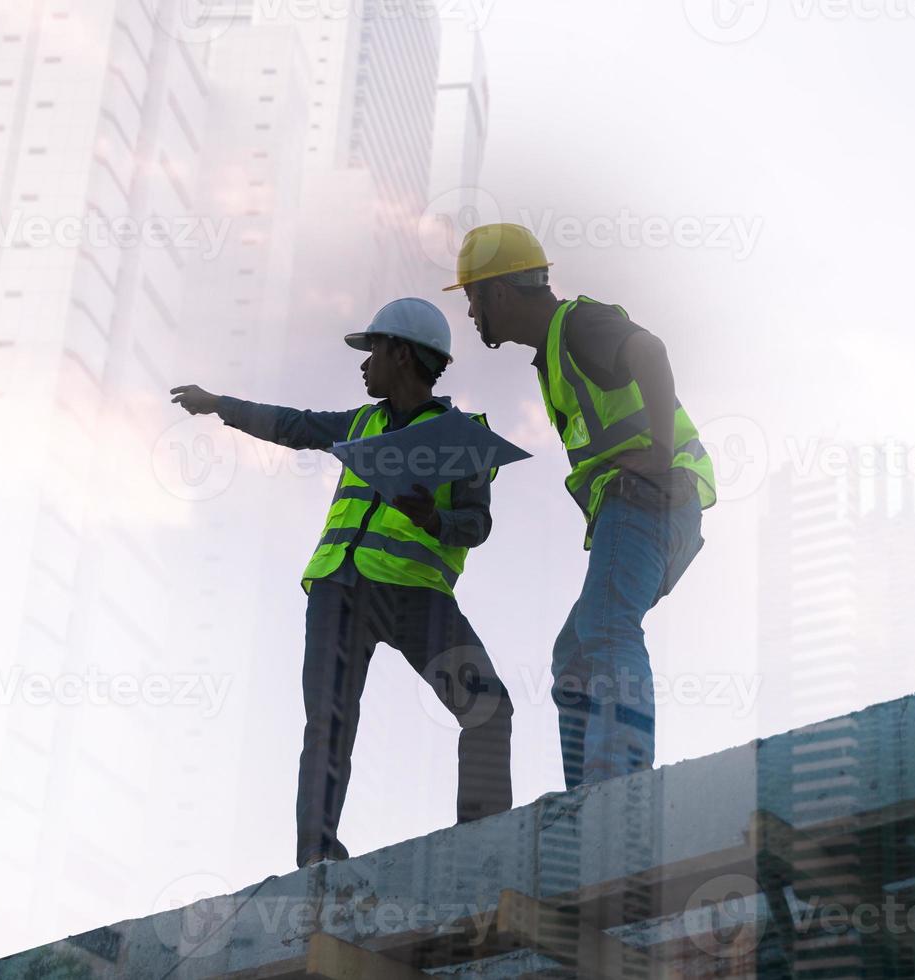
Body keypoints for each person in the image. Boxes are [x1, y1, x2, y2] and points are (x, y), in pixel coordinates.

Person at [170, 297, 513, 867]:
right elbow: (292, 425)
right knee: (328, 722)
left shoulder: (464, 436)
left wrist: (434, 520)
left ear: (401, 354)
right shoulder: (360, 423)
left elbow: (476, 524)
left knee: (487, 708)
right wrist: (220, 406)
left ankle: (478, 843)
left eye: (373, 349)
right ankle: (317, 858)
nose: (363, 363)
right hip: (340, 593)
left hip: (415, 596)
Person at [443, 225, 716, 789]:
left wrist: (661, 452)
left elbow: (651, 351)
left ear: (498, 291)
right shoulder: (554, 351)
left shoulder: (577, 325)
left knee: (607, 627)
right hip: (649, 511)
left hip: (647, 500)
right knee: (573, 656)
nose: (470, 313)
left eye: (472, 298)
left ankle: (618, 781)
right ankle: (587, 793)